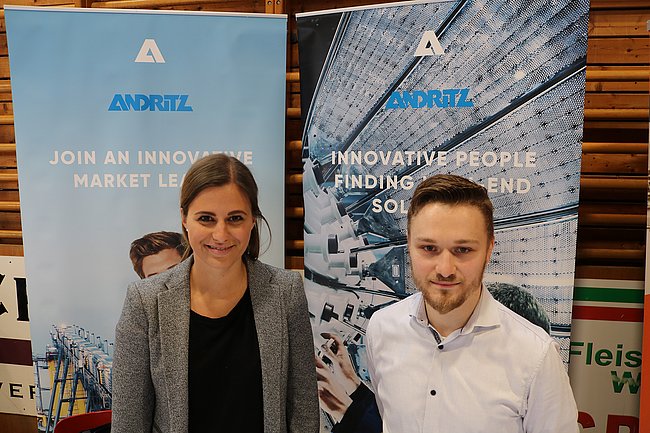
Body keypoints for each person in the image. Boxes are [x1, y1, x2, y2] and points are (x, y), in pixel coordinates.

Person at [112, 154, 320, 433]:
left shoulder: (286, 292)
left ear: (252, 220)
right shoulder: (145, 301)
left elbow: (304, 413)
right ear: (184, 219)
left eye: (234, 218)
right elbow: (129, 423)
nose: (221, 235)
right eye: (206, 219)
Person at [365, 174, 578, 433]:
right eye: (429, 248)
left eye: (463, 250)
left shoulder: (536, 356)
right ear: (408, 244)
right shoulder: (381, 329)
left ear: (489, 249)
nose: (445, 269)